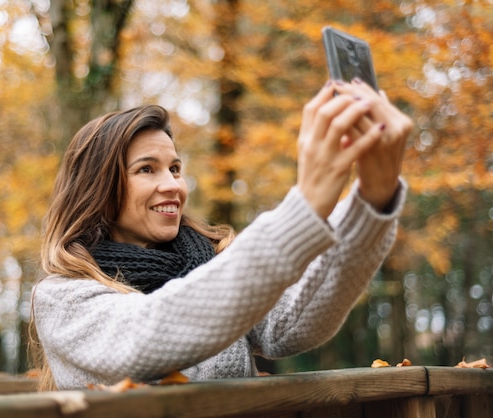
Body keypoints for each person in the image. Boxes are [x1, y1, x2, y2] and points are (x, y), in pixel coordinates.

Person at [30, 79, 413, 391]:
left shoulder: (210, 261)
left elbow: (292, 325)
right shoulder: (63, 297)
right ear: (98, 188)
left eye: (175, 168)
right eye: (147, 169)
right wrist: (307, 205)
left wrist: (371, 201)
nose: (173, 185)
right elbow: (146, 335)